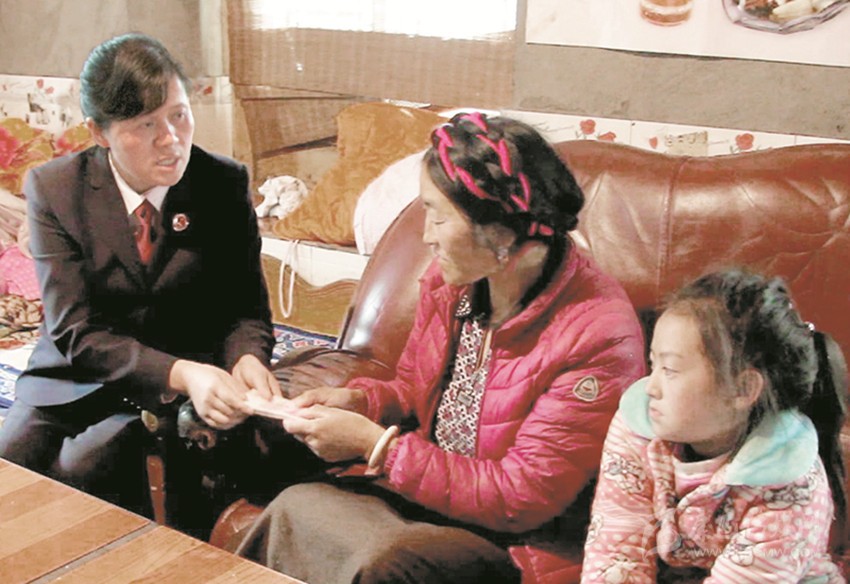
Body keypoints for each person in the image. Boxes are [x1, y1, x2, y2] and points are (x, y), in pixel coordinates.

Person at [236, 112, 646, 584]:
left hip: (520, 542)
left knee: (386, 559)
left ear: (499, 232)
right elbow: (414, 387)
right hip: (434, 500)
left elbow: (523, 498)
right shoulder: (457, 283)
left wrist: (378, 447)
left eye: (437, 215)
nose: (426, 235)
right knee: (297, 504)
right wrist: (360, 402)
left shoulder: (598, 334)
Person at [0, 33, 278, 523]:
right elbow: (75, 332)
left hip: (176, 383)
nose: (171, 139)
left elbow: (246, 310)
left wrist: (247, 359)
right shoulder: (55, 189)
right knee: (11, 469)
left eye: (179, 114)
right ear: (99, 132)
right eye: (145, 125)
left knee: (84, 468)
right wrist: (183, 372)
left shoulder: (222, 183)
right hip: (75, 378)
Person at [581, 268, 846, 582]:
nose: (651, 387)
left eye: (670, 370)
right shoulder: (640, 424)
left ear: (742, 390)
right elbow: (616, 548)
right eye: (653, 364)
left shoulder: (788, 482)